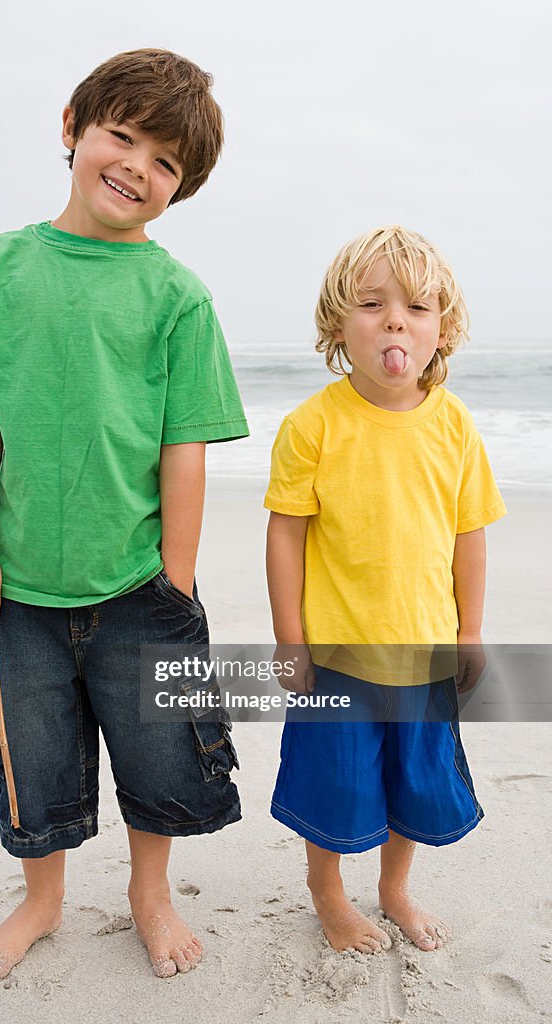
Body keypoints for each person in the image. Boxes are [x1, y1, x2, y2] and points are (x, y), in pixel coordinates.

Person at [0, 48, 248, 981]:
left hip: (139, 581)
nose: (136, 168)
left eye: (164, 164)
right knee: (34, 757)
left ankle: (150, 894)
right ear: (73, 125)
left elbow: (181, 443)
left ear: (177, 190)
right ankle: (42, 897)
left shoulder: (177, 295)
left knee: (160, 755)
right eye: (123, 137)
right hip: (21, 582)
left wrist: (176, 578)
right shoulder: (0, 265)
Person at [264, 225, 506, 955]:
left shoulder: (454, 425)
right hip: (336, 652)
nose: (396, 320)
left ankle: (393, 888)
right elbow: (285, 535)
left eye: (417, 308)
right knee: (331, 784)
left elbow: (469, 534)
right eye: (372, 303)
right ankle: (327, 894)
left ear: (443, 330)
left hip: (423, 650)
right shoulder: (312, 425)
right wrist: (288, 639)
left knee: (414, 780)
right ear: (339, 324)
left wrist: (468, 631)